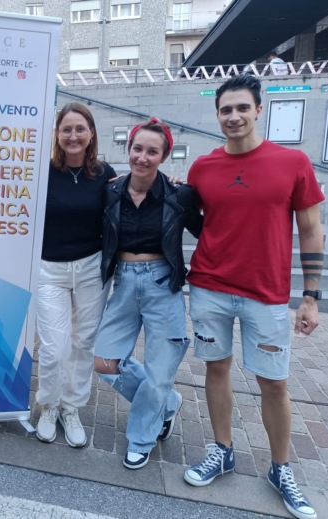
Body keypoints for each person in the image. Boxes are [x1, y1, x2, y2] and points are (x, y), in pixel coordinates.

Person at [183, 75, 323, 519]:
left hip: (266, 294)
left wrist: (311, 296)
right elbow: (190, 217)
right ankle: (222, 451)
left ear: (259, 110)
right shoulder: (202, 168)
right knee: (216, 368)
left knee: (274, 383)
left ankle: (281, 469)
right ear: (217, 114)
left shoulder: (293, 162)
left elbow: (311, 230)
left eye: (242, 107)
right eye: (226, 109)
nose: (234, 116)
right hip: (209, 287)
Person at [93, 118, 202, 469]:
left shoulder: (179, 194)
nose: (142, 157)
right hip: (124, 281)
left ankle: (141, 439)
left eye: (152, 151)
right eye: (137, 149)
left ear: (163, 156)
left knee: (159, 372)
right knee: (105, 363)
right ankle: (167, 403)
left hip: (162, 283)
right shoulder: (111, 191)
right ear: (129, 149)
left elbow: (208, 232)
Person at [35, 102, 116, 448]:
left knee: (84, 343)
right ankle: (49, 405)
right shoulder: (41, 171)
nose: (73, 136)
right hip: (48, 268)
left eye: (80, 129)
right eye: (66, 129)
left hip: (90, 268)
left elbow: (132, 200)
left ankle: (71, 408)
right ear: (57, 134)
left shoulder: (104, 173)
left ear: (91, 133)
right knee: (54, 348)